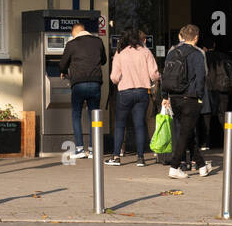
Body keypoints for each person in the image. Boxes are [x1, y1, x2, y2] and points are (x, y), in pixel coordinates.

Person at [163, 24, 210, 179]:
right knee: (185, 132)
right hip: (190, 97)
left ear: (182, 36)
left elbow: (166, 74)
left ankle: (202, 165)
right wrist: (200, 96)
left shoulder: (172, 51)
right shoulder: (198, 53)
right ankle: (174, 167)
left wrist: (164, 96)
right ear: (196, 38)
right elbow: (202, 76)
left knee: (186, 131)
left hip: (174, 97)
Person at [106, 29, 159, 166]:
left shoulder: (120, 53)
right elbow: (154, 74)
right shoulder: (146, 52)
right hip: (142, 92)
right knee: (140, 124)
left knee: (119, 125)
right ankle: (140, 158)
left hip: (125, 92)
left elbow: (114, 77)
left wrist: (121, 79)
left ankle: (116, 157)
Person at [59, 21, 107, 160]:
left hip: (78, 84)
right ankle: (93, 150)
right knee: (94, 117)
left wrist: (63, 71)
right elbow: (103, 60)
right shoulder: (98, 42)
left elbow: (63, 63)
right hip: (95, 84)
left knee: (76, 115)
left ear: (74, 32)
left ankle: (80, 149)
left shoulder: (72, 44)